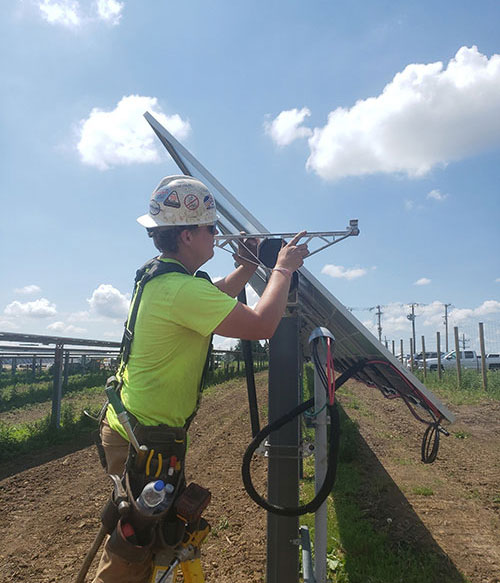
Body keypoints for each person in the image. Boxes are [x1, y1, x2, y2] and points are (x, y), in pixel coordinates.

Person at [92, 175, 308, 582]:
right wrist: (282, 268)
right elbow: (262, 324)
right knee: (132, 550)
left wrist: (246, 267)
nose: (217, 235)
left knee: (156, 535)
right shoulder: (179, 290)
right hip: (143, 438)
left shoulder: (167, 279)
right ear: (188, 235)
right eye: (211, 227)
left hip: (137, 429)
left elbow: (214, 298)